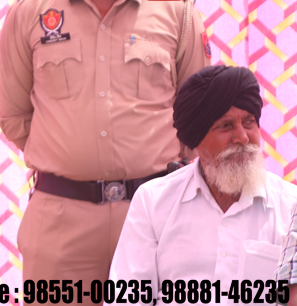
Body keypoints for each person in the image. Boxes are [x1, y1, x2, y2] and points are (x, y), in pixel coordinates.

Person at [0, 0, 210, 281]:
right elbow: (15, 116)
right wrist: (71, 158)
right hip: (61, 224)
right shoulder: (31, 12)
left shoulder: (177, 12)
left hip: (158, 217)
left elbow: (199, 115)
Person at [110, 65, 297, 288]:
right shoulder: (153, 202)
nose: (242, 137)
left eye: (248, 122)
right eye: (226, 126)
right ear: (197, 138)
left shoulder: (290, 206)